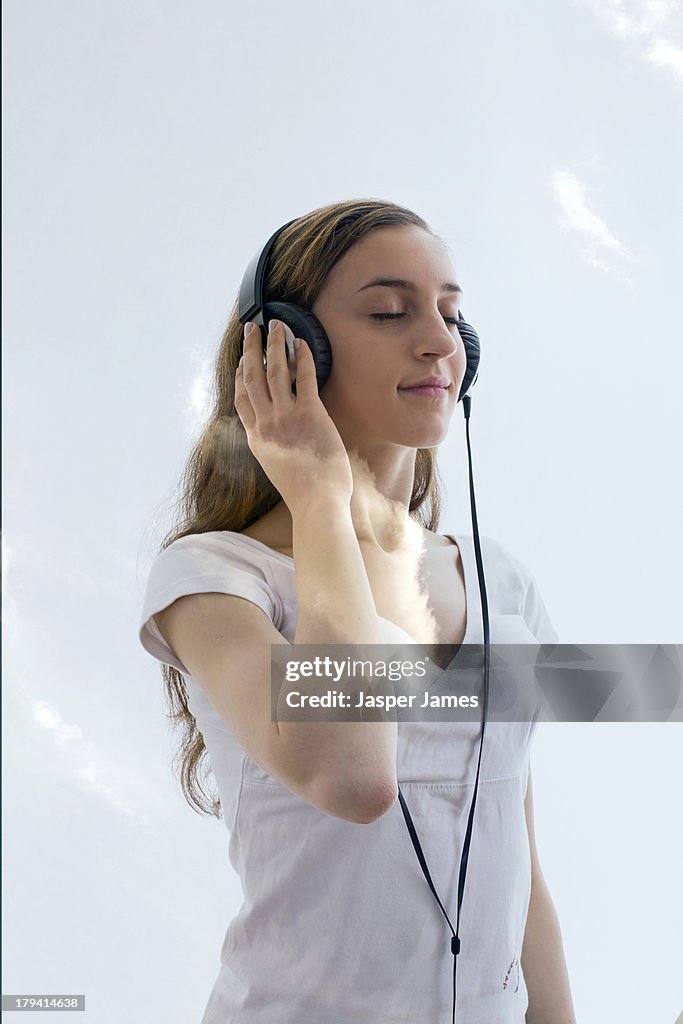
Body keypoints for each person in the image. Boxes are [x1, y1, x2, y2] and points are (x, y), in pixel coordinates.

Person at [138, 198, 577, 1023]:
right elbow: (352, 776)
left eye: (452, 313)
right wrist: (318, 498)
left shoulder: (498, 583)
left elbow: (517, 852)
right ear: (286, 349)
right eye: (388, 310)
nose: (441, 343)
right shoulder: (214, 579)